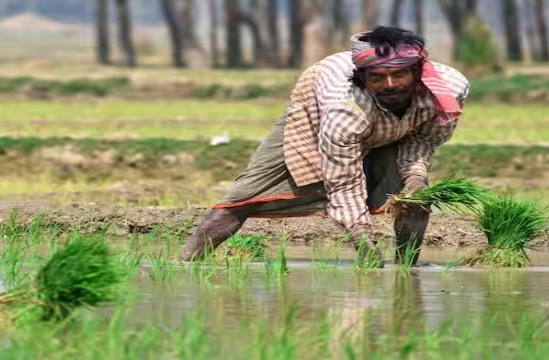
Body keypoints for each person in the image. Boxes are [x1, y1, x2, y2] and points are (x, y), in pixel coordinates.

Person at [179, 26, 470, 267]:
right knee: (242, 198)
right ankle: (185, 263)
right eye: (377, 78)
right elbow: (343, 183)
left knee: (417, 198)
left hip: (390, 128)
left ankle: (409, 268)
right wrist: (362, 239)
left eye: (400, 74)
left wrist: (415, 177)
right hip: (315, 118)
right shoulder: (344, 110)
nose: (391, 84)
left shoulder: (449, 89)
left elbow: (422, 138)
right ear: (363, 79)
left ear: (417, 71)